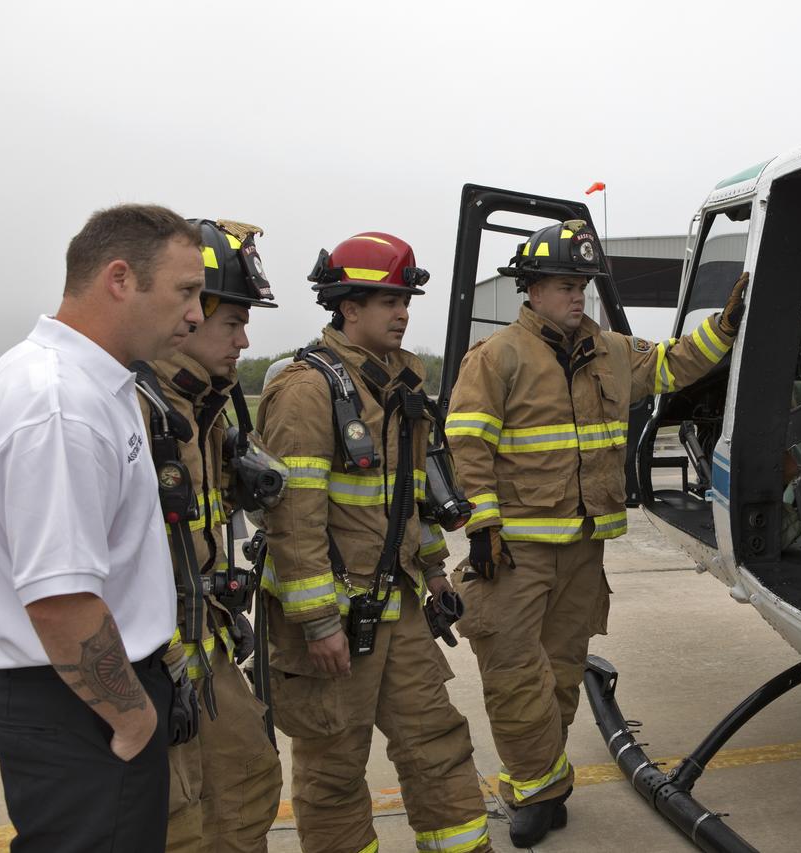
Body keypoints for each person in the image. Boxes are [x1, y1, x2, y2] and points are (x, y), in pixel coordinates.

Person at [445, 219, 748, 846]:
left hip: (583, 547)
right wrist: (482, 525)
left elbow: (671, 367)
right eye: (563, 284)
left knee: (560, 673)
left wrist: (723, 328)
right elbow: (467, 443)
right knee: (513, 673)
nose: (576, 295)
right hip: (516, 551)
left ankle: (545, 787)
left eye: (581, 284)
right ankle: (532, 789)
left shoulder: (609, 349)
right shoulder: (497, 356)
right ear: (530, 289)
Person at [258, 232, 492, 853]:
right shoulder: (307, 391)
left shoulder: (401, 386)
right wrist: (315, 622)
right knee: (334, 769)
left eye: (405, 300)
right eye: (386, 299)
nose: (402, 312)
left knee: (438, 742)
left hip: (403, 606)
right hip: (334, 621)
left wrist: (436, 568)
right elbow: (292, 519)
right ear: (346, 307)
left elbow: (411, 495)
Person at [0, 204, 205, 852]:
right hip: (80, 705)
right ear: (120, 278)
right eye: (187, 291)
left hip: (81, 698)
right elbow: (60, 599)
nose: (197, 314)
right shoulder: (61, 404)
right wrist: (132, 717)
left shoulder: (94, 387)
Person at [138, 219, 284, 852]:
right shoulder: (128, 408)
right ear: (189, 316)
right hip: (150, 666)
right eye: (233, 323)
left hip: (206, 645)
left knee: (250, 784)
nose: (243, 340)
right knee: (177, 823)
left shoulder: (205, 409)